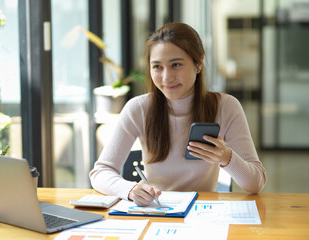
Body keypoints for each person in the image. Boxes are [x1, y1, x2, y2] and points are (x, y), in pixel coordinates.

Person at [89, 22, 266, 207]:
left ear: (198, 64)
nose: (166, 77)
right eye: (157, 67)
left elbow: (256, 183)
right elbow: (100, 172)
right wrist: (129, 190)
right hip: (157, 211)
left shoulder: (226, 106)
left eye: (176, 65)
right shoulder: (138, 108)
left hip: (203, 214)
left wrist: (226, 157)